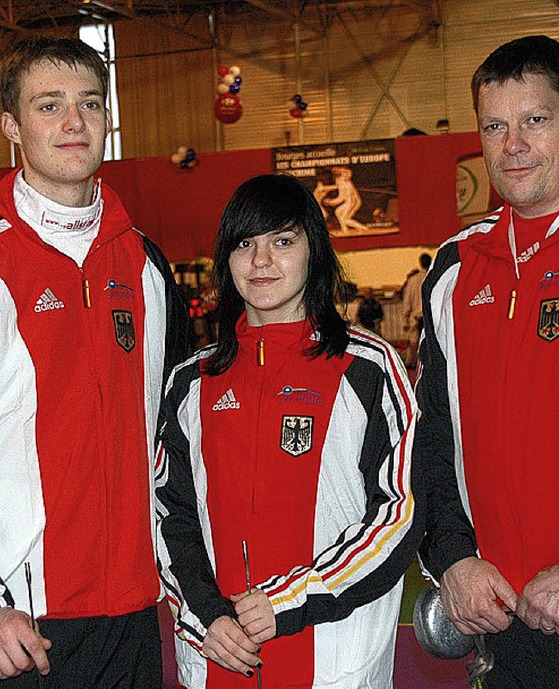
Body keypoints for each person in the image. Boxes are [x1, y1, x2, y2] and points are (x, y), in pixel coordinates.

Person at [415, 34, 559, 688]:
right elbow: (432, 433)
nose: (512, 143)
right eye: (494, 125)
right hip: (505, 614)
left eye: (534, 120)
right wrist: (453, 558)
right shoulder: (457, 267)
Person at [155, 173, 422, 689]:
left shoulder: (368, 368)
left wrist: (290, 599)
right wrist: (207, 616)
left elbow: (399, 512)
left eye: (282, 241)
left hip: (336, 661)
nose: (261, 262)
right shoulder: (191, 381)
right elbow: (169, 514)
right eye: (245, 244)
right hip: (217, 659)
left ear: (312, 251)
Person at [0, 36, 189, 686]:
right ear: (11, 126)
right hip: (21, 622)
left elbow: (174, 436)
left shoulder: (147, 264)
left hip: (135, 613)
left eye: (89, 103)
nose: (74, 123)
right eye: (49, 105)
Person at [401, 252, 431, 368]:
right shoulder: (434, 276)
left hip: (416, 317)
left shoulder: (413, 281)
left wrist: (405, 320)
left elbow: (407, 302)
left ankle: (411, 366)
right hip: (430, 317)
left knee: (413, 344)